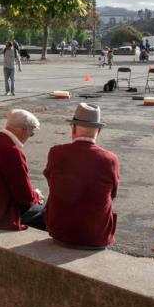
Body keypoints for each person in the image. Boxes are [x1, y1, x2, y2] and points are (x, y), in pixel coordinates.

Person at [44, 103, 119, 249]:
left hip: (60, 234)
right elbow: (113, 194)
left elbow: (51, 184)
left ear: (73, 129)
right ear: (99, 131)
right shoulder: (110, 159)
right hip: (96, 237)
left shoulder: (56, 152)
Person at [0, 109, 45, 230]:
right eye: (32, 133)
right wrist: (37, 195)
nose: (30, 137)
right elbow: (25, 197)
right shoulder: (12, 150)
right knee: (43, 210)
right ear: (23, 130)